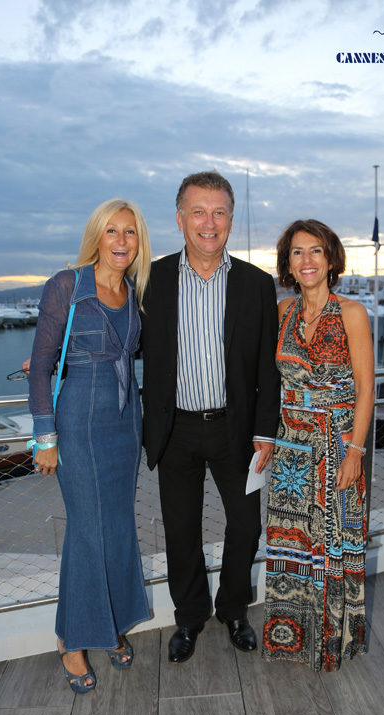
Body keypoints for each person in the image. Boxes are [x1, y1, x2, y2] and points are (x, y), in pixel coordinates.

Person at [141, 171, 280, 663]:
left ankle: (234, 609)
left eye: (219, 212)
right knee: (181, 531)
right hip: (174, 428)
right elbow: (118, 341)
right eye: (198, 211)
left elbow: (267, 367)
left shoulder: (256, 284)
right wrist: (56, 356)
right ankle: (190, 616)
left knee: (246, 526)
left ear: (231, 220)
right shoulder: (151, 280)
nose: (209, 222)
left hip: (236, 430)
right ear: (180, 219)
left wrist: (265, 431)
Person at [28, 199, 152, 692]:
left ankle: (109, 624)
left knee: (118, 526)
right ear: (97, 236)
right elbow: (41, 366)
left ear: (139, 242)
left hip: (126, 422)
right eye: (112, 231)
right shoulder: (67, 285)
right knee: (86, 530)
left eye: (130, 232)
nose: (121, 241)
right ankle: (72, 638)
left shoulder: (134, 291)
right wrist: (45, 436)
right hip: (78, 422)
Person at [262, 219, 374, 671]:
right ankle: (292, 638)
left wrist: (356, 452)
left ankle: (330, 643)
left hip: (336, 440)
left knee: (333, 543)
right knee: (291, 539)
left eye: (315, 251)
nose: (306, 260)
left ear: (330, 259)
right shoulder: (283, 311)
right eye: (297, 252)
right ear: (287, 264)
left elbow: (366, 389)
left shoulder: (351, 312)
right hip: (291, 444)